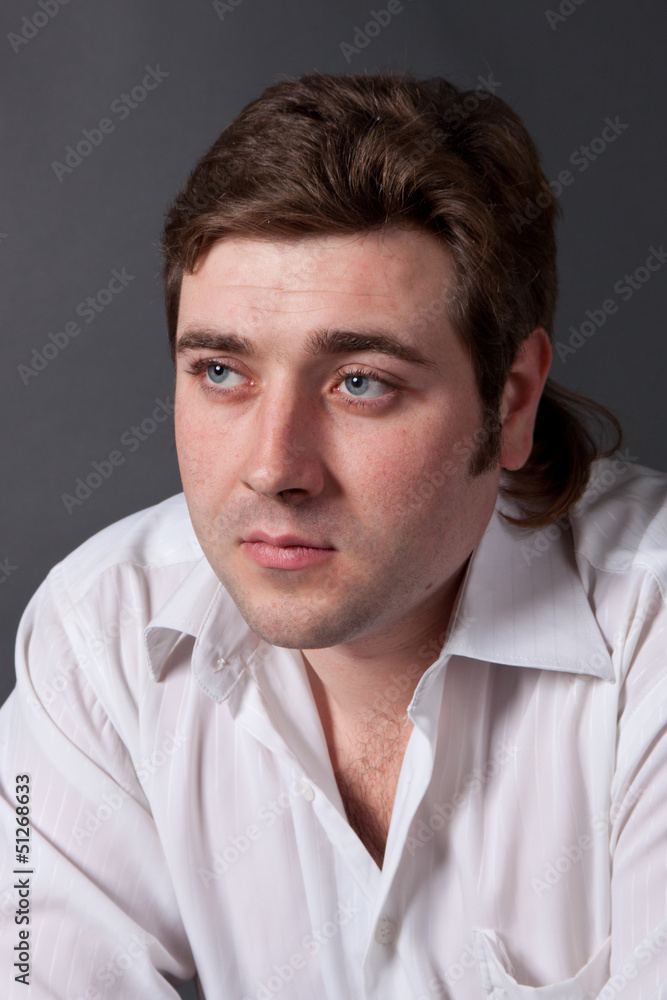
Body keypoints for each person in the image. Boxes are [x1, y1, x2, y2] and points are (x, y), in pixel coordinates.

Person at [1, 71, 666, 1000]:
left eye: (360, 381)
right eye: (223, 371)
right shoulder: (99, 635)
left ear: (510, 401)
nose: (274, 468)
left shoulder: (650, 636)